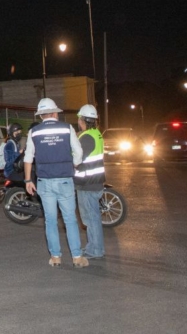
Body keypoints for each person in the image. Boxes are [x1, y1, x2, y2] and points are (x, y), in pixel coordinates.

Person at [23, 98, 87, 268]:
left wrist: (28, 180)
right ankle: (77, 257)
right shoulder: (67, 128)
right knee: (70, 219)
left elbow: (28, 157)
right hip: (65, 180)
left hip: (44, 181)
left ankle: (56, 257)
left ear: (42, 115)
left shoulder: (34, 132)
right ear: (52, 113)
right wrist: (73, 164)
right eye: (57, 112)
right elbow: (78, 151)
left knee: (50, 220)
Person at [74, 104, 106, 259]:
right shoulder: (96, 134)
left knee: (91, 219)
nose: (79, 121)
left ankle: (95, 250)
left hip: (87, 183)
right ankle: (94, 247)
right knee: (93, 218)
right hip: (95, 181)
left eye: (80, 118)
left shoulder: (86, 138)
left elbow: (76, 159)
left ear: (83, 120)